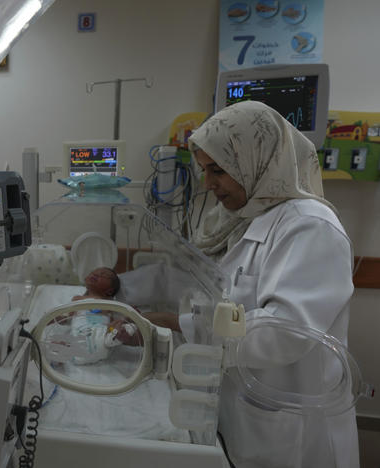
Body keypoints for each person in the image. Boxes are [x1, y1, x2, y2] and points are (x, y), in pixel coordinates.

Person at [147, 100, 358, 468]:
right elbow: (201, 286)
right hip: (240, 416)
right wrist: (134, 298)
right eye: (204, 171)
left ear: (256, 159)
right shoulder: (238, 219)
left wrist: (186, 327)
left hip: (292, 430)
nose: (208, 184)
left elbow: (284, 334)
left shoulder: (309, 226)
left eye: (218, 170)